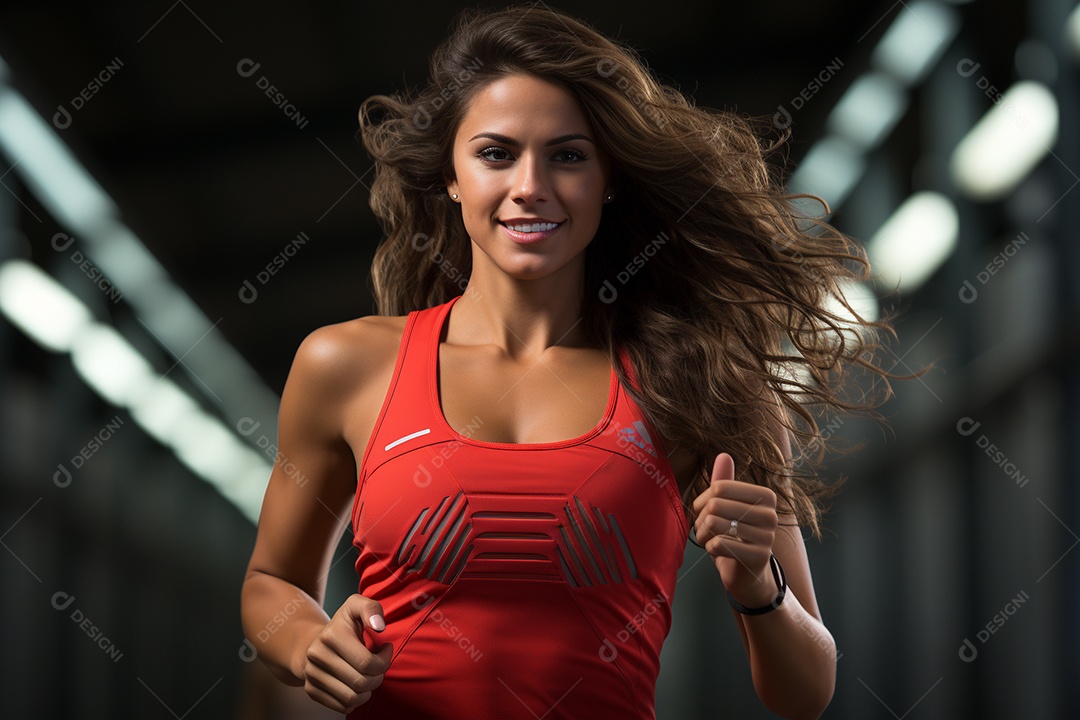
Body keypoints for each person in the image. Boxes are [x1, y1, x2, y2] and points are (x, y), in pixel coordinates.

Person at [241, 5, 900, 719]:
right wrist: (310, 644)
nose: (531, 185)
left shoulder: (701, 384)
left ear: (608, 178)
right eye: (496, 154)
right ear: (451, 177)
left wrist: (758, 591)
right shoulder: (347, 364)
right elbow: (272, 582)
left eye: (568, 155)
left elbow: (807, 693)